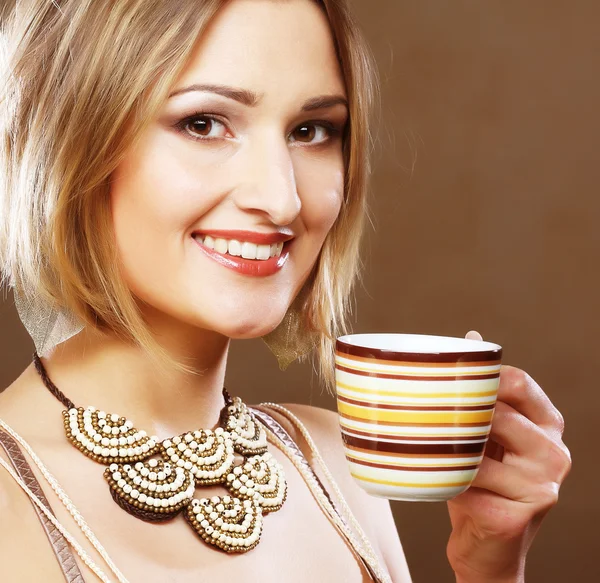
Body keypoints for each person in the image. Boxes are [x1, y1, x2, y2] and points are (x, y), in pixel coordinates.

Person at [0, 1, 571, 582]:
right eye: (203, 123)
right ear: (65, 139)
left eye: (311, 130)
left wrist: (490, 568)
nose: (282, 199)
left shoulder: (336, 467)